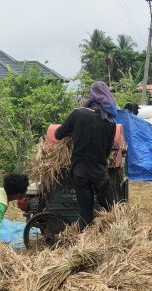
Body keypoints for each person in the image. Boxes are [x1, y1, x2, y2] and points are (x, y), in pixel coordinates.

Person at [55, 81, 118, 230]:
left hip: (80, 171)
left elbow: (58, 134)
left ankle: (86, 239)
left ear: (92, 94)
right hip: (99, 172)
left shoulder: (78, 113)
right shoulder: (110, 122)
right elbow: (107, 151)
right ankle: (113, 235)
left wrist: (74, 131)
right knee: (110, 209)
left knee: (85, 210)